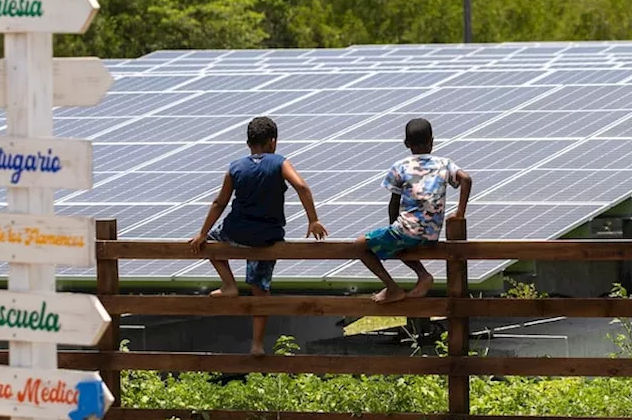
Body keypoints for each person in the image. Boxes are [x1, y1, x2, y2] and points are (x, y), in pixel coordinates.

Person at [190, 116, 327, 355]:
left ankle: (229, 284)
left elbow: (220, 202)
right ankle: (257, 345)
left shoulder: (235, 167)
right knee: (260, 289)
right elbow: (302, 187)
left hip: (236, 231)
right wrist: (313, 219)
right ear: (272, 141)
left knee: (210, 242)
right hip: (267, 237)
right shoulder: (279, 163)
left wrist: (201, 233)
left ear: (248, 143)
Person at [355, 117, 472, 304]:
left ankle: (393, 288)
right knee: (396, 243)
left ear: (406, 144)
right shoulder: (444, 164)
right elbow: (466, 179)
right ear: (432, 141)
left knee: (360, 246)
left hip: (407, 230)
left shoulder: (400, 166)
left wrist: (393, 225)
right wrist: (460, 213)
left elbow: (394, 202)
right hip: (432, 234)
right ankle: (423, 276)